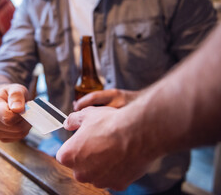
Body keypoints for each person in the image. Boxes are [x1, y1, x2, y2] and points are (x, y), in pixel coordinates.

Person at [0, 0, 217, 193]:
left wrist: (137, 111)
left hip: (151, 173)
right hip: (64, 160)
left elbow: (211, 85)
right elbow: (3, 66)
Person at [56, 23, 221, 191]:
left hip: (153, 171)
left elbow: (207, 62)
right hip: (61, 148)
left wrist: (129, 130)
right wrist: (138, 99)